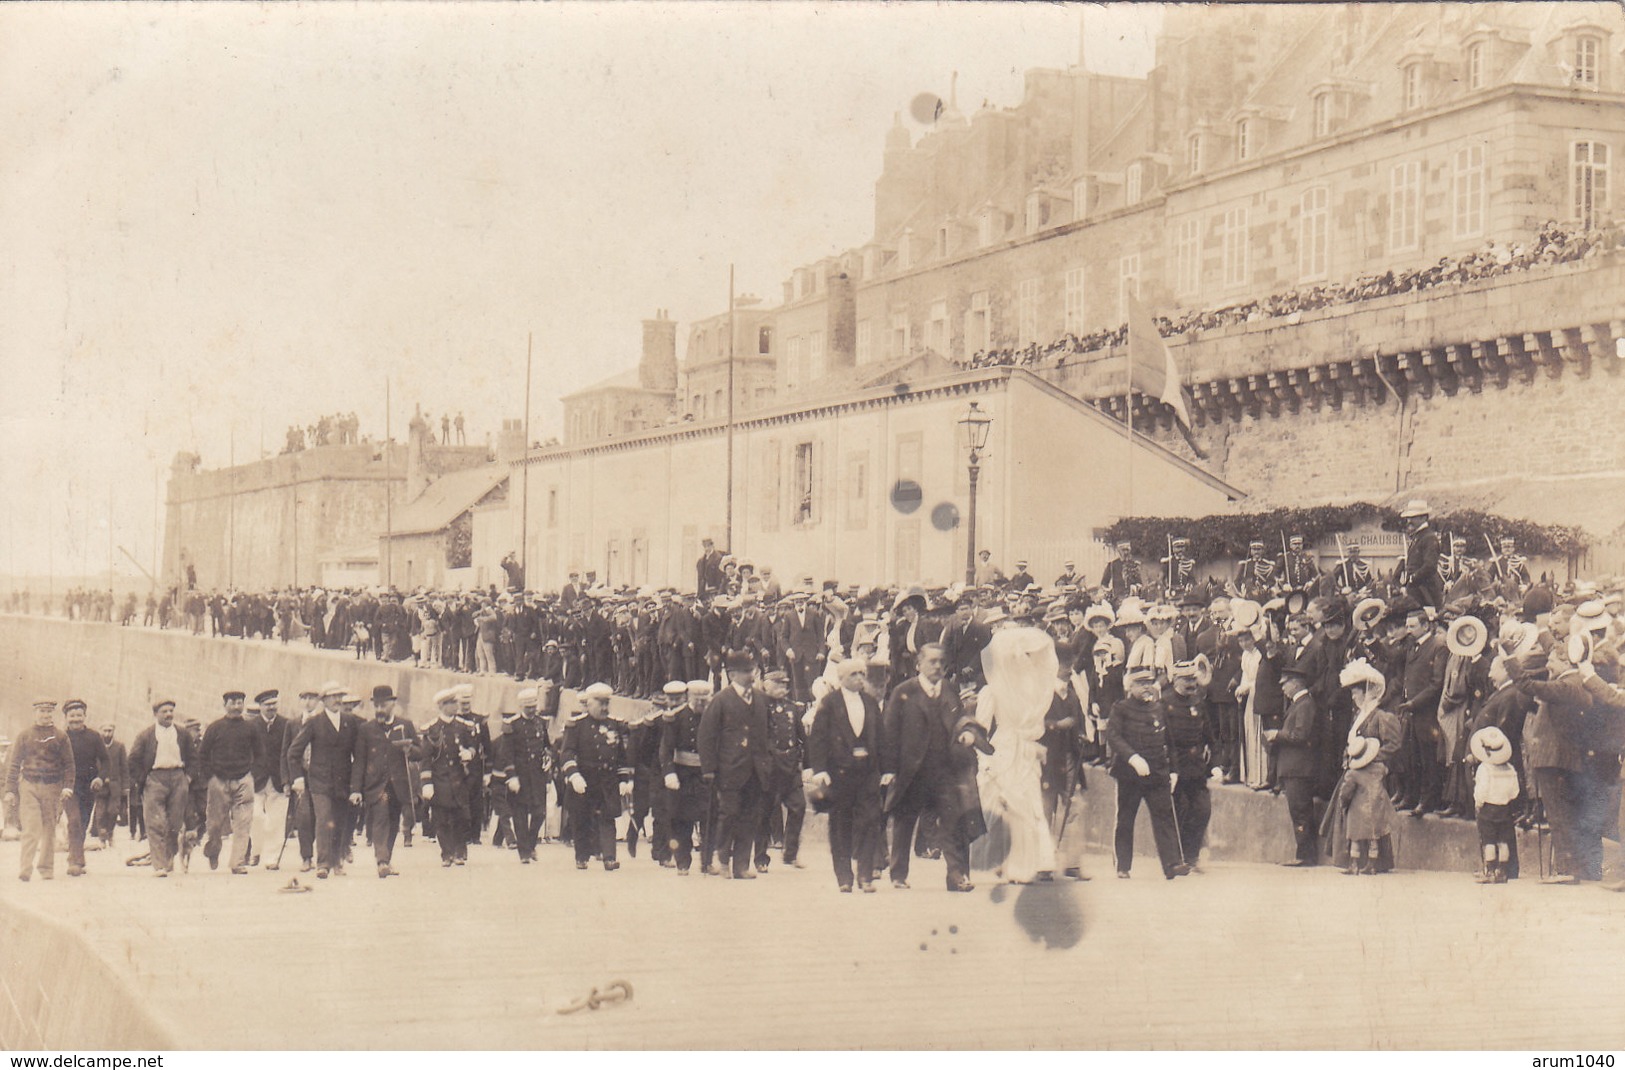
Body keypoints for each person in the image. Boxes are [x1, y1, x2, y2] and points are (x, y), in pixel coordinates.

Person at [881, 644, 983, 892]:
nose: (938, 666)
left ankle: (956, 876)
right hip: (912, 772)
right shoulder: (903, 692)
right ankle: (898, 873)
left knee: (953, 822)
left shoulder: (948, 689)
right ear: (919, 665)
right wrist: (889, 769)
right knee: (905, 822)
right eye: (932, 662)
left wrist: (967, 733)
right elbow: (890, 733)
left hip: (945, 770)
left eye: (941, 662)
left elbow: (961, 720)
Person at [807, 658, 884, 892]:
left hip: (867, 773)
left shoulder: (871, 702)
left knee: (871, 822)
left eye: (862, 674)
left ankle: (865, 875)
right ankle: (844, 877)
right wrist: (819, 770)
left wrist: (887, 769)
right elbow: (818, 738)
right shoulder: (829, 703)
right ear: (841, 678)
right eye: (854, 674)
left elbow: (882, 738)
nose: (860, 678)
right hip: (839, 773)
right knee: (840, 824)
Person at [1320, 659, 1401, 874]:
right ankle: (1354, 860)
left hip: (1370, 773)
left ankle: (1371, 861)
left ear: (1367, 693)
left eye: (1357, 693)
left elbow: (1393, 745)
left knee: (1370, 817)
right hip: (1355, 770)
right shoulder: (1360, 716)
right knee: (1353, 817)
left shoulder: (1382, 716)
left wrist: (1372, 758)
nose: (1354, 697)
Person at [1106, 667, 1187, 880]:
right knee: (1125, 819)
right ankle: (1123, 865)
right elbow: (1113, 736)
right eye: (1140, 684)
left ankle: (1172, 864)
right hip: (1129, 774)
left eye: (1149, 683)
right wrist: (1132, 758)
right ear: (1130, 687)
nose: (1146, 688)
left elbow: (1169, 741)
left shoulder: (1158, 709)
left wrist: (1174, 770)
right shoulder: (1121, 708)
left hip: (1158, 772)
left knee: (1165, 817)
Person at [699, 652, 774, 880]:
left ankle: (741, 864)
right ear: (732, 674)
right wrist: (709, 769)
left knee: (750, 817)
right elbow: (706, 736)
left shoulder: (761, 699)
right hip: (729, 770)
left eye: (752, 670)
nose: (750, 675)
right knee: (729, 814)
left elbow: (768, 732)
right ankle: (723, 859)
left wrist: (767, 760)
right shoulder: (721, 700)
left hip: (756, 769)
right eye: (745, 671)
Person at [286, 681, 363, 879]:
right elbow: (293, 752)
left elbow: (359, 756)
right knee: (324, 818)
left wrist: (356, 786)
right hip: (319, 782)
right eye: (332, 696)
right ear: (323, 700)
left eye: (339, 696)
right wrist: (297, 778)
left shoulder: (350, 721)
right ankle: (323, 864)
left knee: (339, 821)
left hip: (343, 782)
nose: (337, 700)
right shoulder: (314, 722)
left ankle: (337, 862)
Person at [560, 681, 634, 871]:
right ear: (589, 703)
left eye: (606, 703)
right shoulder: (576, 725)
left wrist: (624, 779)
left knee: (608, 819)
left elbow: (621, 756)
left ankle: (609, 857)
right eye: (600, 703)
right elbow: (567, 753)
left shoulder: (614, 724)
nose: (604, 708)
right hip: (585, 779)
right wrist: (574, 775)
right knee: (581, 818)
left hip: (607, 780)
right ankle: (582, 856)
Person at [4, 700, 75, 882]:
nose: (45, 716)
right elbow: (13, 764)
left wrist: (68, 786)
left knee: (49, 828)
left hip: (52, 787)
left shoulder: (60, 737)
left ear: (53, 714)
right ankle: (25, 868)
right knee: (31, 828)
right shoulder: (25, 736)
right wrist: (10, 790)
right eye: (42, 712)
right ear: (35, 713)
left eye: (49, 712)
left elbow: (69, 765)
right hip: (29, 785)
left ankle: (46, 868)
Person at [129, 699, 197, 878]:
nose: (168, 714)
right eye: (164, 711)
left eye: (171, 711)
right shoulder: (146, 735)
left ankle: (168, 858)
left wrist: (188, 777)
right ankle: (159, 865)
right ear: (155, 714)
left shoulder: (182, 733)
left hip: (178, 779)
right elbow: (133, 760)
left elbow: (193, 757)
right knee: (155, 823)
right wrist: (143, 779)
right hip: (155, 779)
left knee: (174, 823)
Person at [199, 690, 263, 874]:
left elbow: (260, 754)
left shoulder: (251, 728)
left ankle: (237, 862)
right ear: (224, 705)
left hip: (243, 780)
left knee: (243, 823)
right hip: (218, 781)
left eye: (239, 703)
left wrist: (252, 776)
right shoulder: (214, 728)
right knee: (215, 824)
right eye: (232, 702)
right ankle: (214, 849)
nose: (236, 707)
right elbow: (203, 755)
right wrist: (211, 778)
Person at [353, 685, 414, 877]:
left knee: (394, 822)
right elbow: (360, 761)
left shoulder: (405, 726)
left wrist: (409, 750)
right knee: (380, 819)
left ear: (393, 704)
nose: (379, 710)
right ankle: (381, 861)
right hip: (376, 786)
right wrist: (356, 789)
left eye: (383, 705)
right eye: (376, 706)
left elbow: (420, 753)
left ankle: (386, 858)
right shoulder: (365, 729)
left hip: (398, 785)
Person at [1164, 658, 1216, 871]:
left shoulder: (1198, 702)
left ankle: (1192, 854)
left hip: (1196, 767)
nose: (1191, 684)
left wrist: (1215, 763)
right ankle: (1182, 857)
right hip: (1176, 766)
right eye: (1186, 679)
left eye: (1193, 679)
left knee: (1203, 810)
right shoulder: (1165, 703)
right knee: (1181, 811)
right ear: (1175, 679)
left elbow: (1209, 735)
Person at [1270, 660, 1322, 867]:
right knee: (1300, 811)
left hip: (1299, 768)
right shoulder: (1299, 704)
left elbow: (1300, 735)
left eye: (1285, 684)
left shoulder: (1305, 704)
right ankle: (1305, 854)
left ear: (1296, 684)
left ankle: (1304, 855)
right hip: (1296, 768)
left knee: (1300, 812)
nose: (1282, 688)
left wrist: (1277, 734)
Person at [416, 688, 476, 867]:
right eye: (452, 703)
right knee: (441, 819)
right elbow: (425, 759)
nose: (456, 706)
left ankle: (459, 850)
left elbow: (473, 746)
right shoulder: (432, 728)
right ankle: (446, 853)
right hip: (440, 780)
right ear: (442, 706)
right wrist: (426, 783)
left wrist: (469, 753)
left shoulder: (464, 726)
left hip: (459, 779)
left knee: (461, 817)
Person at [660, 680, 712, 875]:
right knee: (681, 820)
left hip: (706, 774)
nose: (701, 703)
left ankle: (707, 861)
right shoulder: (676, 717)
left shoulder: (713, 715)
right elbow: (666, 749)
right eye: (698, 699)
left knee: (709, 818)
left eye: (704, 700)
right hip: (682, 774)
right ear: (689, 697)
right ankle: (683, 861)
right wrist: (669, 772)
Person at [756, 670, 806, 872]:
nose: (782, 689)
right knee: (764, 813)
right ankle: (760, 858)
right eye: (777, 685)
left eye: (784, 685)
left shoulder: (792, 708)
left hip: (790, 766)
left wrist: (808, 765)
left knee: (799, 806)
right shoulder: (759, 708)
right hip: (769, 768)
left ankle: (790, 853)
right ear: (765, 685)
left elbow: (802, 737)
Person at [496, 685, 552, 864]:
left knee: (540, 813)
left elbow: (547, 746)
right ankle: (524, 853)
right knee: (520, 815)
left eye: (534, 706)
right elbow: (507, 754)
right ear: (521, 707)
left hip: (537, 776)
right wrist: (511, 776)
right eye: (528, 707)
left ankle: (530, 843)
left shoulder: (541, 722)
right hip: (520, 777)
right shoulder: (512, 725)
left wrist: (549, 760)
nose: (532, 710)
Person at [61, 699, 108, 877]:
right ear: (66, 718)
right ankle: (75, 861)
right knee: (73, 820)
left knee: (83, 822)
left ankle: (76, 857)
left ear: (85, 716)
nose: (76, 719)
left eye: (79, 715)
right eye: (72, 716)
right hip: (69, 787)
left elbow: (105, 760)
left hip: (89, 787)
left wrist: (100, 777)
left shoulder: (94, 737)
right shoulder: (61, 737)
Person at [1470, 725, 1520, 884]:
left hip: (1488, 809)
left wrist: (1478, 803)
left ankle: (1489, 870)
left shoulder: (1484, 769)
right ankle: (1502, 871)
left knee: (1489, 841)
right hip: (1504, 809)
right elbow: (1515, 792)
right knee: (1503, 841)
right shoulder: (1510, 769)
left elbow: (1481, 790)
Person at [248, 690, 290, 869]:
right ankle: (255, 850)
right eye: (267, 705)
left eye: (274, 704)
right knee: (256, 816)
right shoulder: (251, 726)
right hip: (256, 779)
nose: (271, 708)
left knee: (277, 820)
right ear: (260, 707)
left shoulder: (286, 724)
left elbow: (289, 752)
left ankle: (272, 858)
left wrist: (288, 780)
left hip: (279, 779)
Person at [1399, 500, 1443, 610]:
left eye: (1413, 517)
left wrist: (1412, 579)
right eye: (1408, 518)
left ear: (1423, 518)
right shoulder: (1418, 537)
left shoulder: (1429, 537)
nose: (1409, 521)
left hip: (1425, 593)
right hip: (1415, 591)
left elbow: (1430, 566)